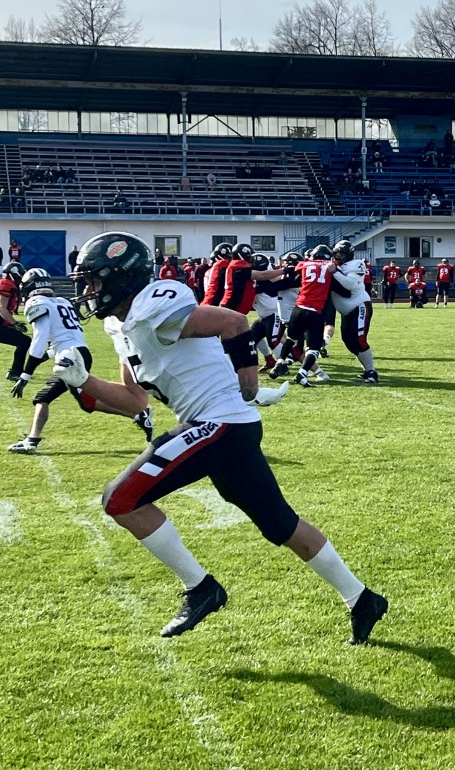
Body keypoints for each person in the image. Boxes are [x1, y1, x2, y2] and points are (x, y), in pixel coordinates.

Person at [72, 231, 388, 643]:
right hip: (224, 427)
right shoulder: (120, 325)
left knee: (120, 499)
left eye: (95, 280)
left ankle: (201, 588)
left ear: (122, 277)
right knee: (280, 525)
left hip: (219, 423)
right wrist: (82, 380)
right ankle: (362, 598)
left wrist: (248, 381)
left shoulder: (154, 303)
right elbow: (135, 400)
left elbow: (233, 322)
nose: (89, 291)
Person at [6, 268, 153, 455]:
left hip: (69, 359)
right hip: (79, 353)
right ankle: (138, 413)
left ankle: (32, 440)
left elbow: (39, 340)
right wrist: (47, 356)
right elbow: (65, 338)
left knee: (43, 398)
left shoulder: (37, 303)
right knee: (86, 403)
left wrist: (26, 375)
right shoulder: (62, 302)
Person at [269, 244, 334, 387]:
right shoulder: (329, 267)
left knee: (292, 340)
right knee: (313, 348)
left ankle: (280, 362)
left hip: (298, 310)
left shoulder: (303, 266)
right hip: (314, 311)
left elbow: (287, 279)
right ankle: (302, 373)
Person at [329, 240, 379, 383]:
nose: (338, 256)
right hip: (347, 311)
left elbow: (349, 285)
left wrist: (334, 271)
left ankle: (371, 371)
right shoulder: (335, 265)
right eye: (337, 253)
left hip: (359, 305)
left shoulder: (356, 264)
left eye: (341, 253)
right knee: (349, 341)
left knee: (359, 339)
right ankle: (366, 369)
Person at [0, 260, 31, 380]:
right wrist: (14, 323)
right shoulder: (6, 285)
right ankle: (14, 372)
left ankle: (17, 371)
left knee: (24, 341)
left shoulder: (4, 283)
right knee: (24, 341)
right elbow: (1, 308)